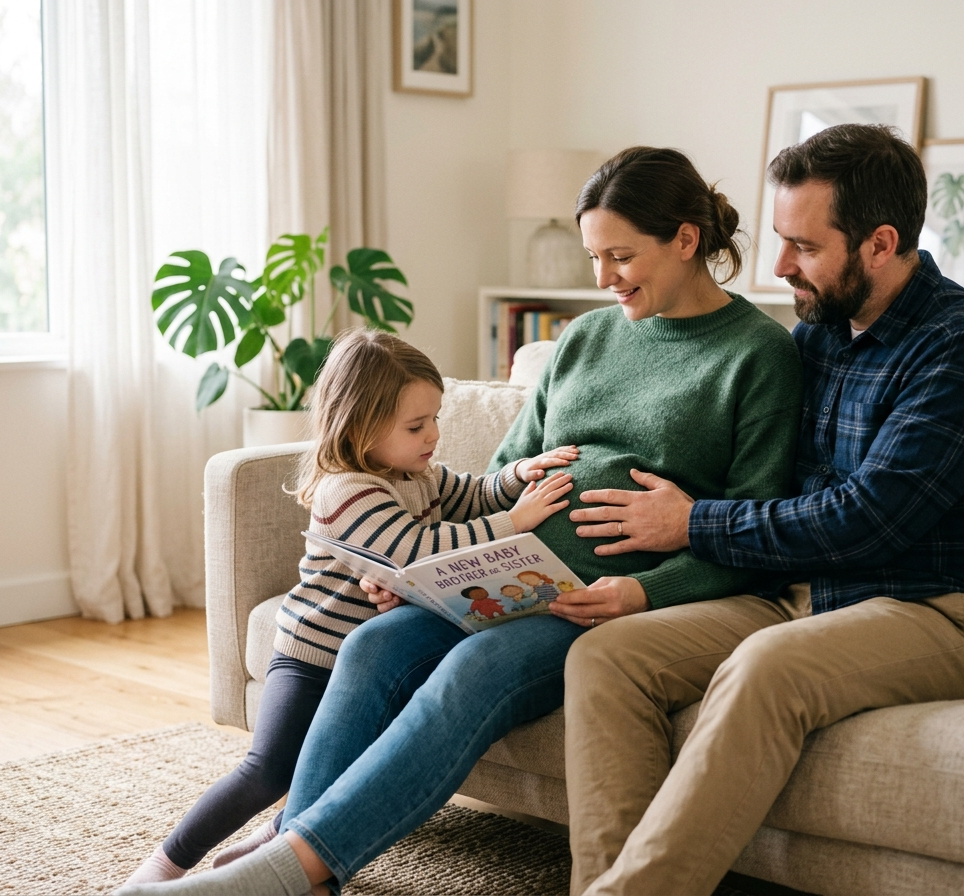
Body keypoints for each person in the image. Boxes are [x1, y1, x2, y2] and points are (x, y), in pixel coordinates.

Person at [116, 146, 803, 896]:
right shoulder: (585, 339)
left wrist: (639, 592)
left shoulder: (759, 355)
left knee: (476, 668)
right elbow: (492, 477)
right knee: (375, 644)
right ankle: (300, 867)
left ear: (685, 238)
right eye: (594, 256)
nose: (602, 279)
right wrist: (419, 576)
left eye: (620, 256)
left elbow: (758, 530)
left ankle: (285, 866)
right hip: (504, 576)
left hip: (603, 598)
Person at [561, 123, 964, 896]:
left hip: (943, 611)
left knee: (764, 668)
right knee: (611, 656)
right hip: (806, 595)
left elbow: (870, 517)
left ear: (880, 245)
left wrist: (691, 521)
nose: (779, 266)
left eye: (805, 248)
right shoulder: (818, 331)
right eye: (781, 240)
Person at [122, 329, 576, 885]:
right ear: (360, 426)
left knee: (338, 772)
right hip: (312, 655)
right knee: (268, 770)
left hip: (366, 661)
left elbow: (474, 494)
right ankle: (166, 862)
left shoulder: (418, 473)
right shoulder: (349, 491)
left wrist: (516, 477)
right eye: (416, 426)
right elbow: (419, 550)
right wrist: (516, 522)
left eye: (435, 418)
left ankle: (282, 840)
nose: (433, 435)